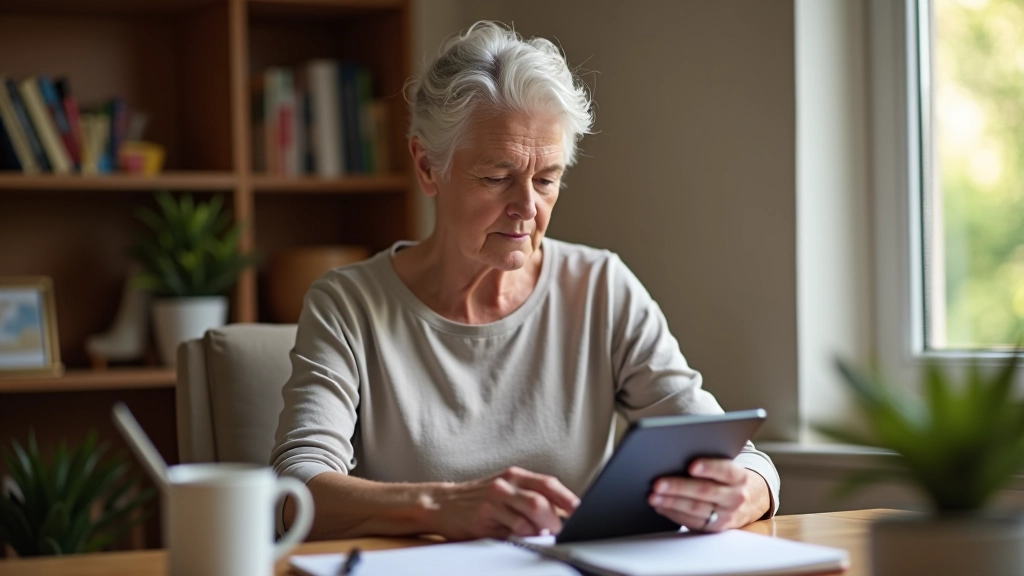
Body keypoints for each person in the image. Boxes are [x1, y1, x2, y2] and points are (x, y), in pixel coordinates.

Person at [271, 20, 779, 541]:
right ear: (427, 167)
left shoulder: (601, 287)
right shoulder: (348, 305)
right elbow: (295, 490)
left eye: (546, 179)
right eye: (496, 178)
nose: (527, 208)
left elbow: (740, 456)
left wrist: (748, 490)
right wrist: (442, 505)